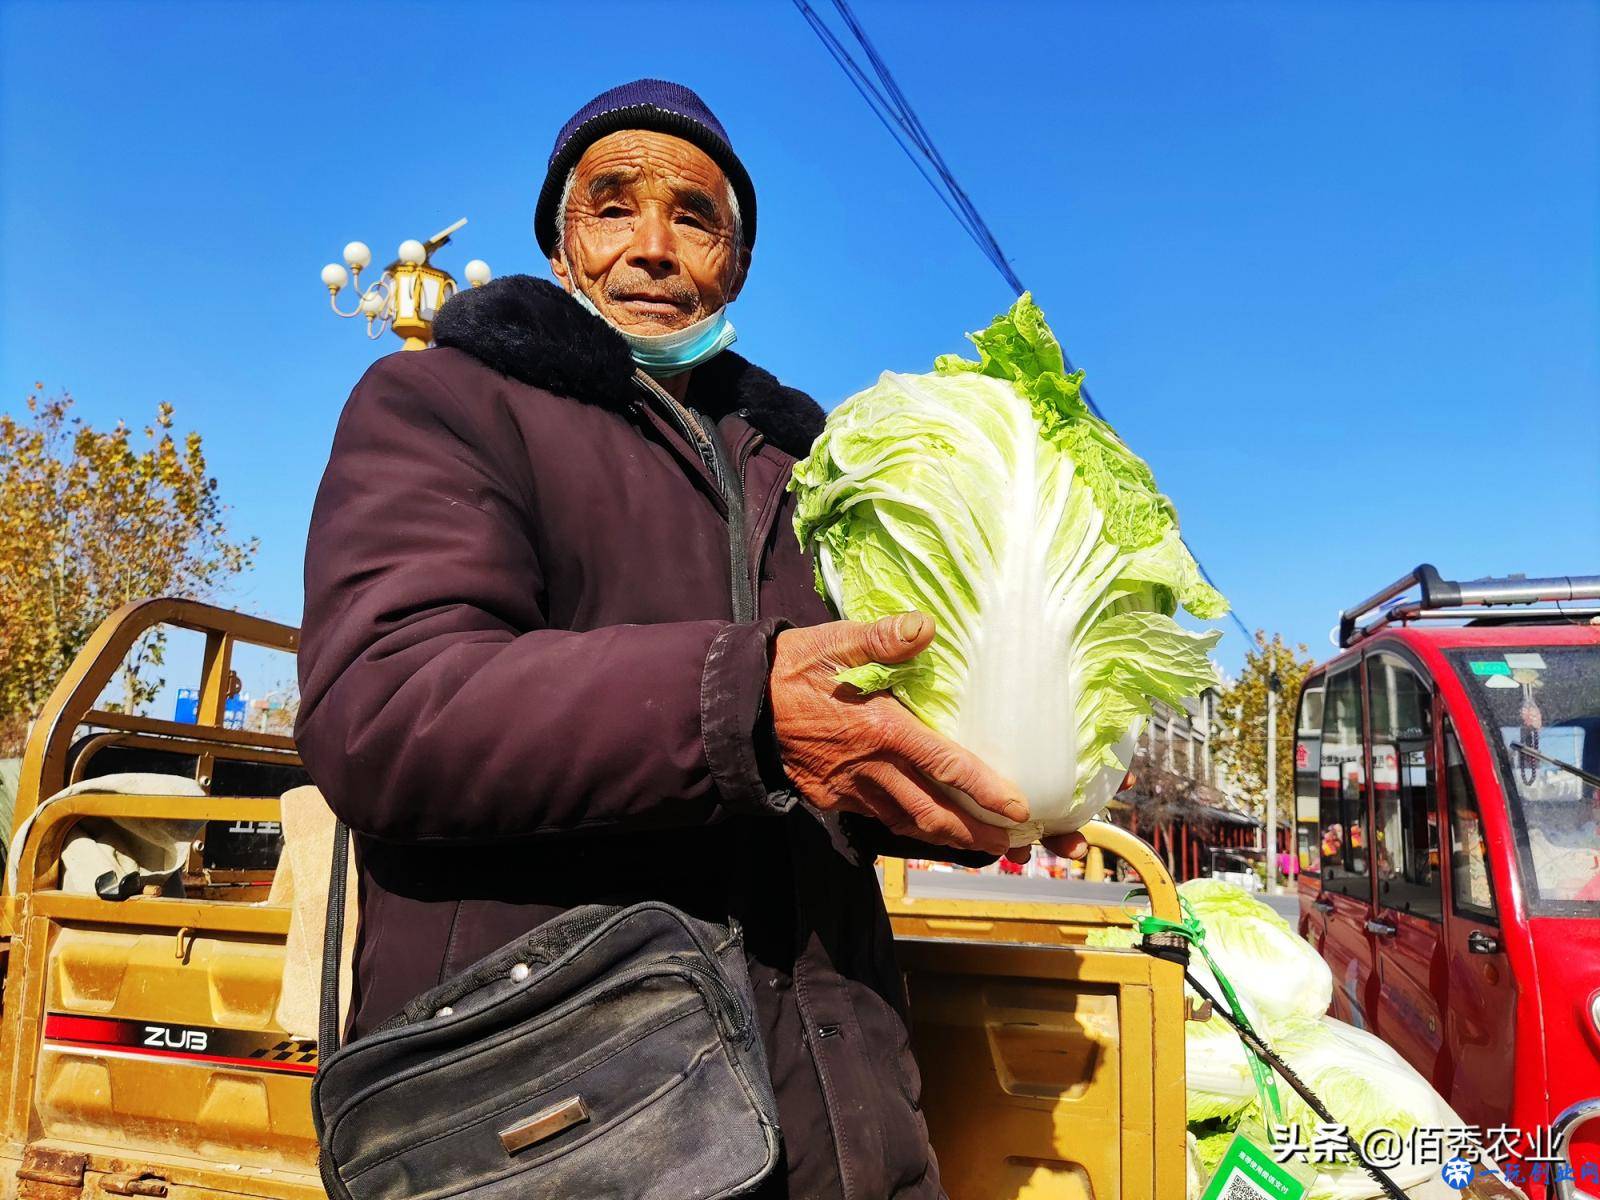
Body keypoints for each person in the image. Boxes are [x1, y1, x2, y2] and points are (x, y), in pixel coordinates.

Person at [296, 79, 1084, 1200]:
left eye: (696, 216)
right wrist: (745, 706)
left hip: (838, 1126)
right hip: (560, 1124)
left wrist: (966, 790)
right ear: (562, 248)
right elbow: (384, 708)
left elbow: (852, 750)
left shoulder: (813, 477)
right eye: (612, 206)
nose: (654, 248)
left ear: (739, 261)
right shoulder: (442, 404)